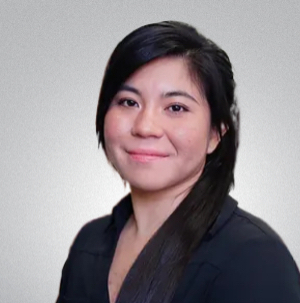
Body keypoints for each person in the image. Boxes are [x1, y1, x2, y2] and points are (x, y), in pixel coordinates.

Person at [55, 21, 300, 303]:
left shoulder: (253, 257)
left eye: (176, 107)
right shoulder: (91, 242)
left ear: (215, 134)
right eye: (128, 102)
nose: (145, 127)